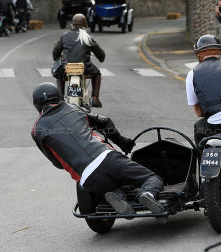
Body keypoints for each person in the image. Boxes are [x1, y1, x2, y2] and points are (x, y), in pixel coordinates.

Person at [31, 82, 167, 224]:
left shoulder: (36, 130)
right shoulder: (73, 108)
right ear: (59, 96)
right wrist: (122, 142)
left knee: (118, 185)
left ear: (36, 104)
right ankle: (147, 194)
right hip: (107, 158)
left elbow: (57, 163)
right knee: (152, 178)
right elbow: (105, 122)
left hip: (87, 178)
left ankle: (118, 196)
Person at [53, 13, 105, 108]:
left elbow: (55, 54)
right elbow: (101, 55)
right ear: (85, 25)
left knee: (59, 70)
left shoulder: (64, 36)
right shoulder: (87, 37)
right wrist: (101, 58)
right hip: (85, 68)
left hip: (67, 68)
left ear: (72, 24)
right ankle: (95, 98)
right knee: (97, 74)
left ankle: (60, 96)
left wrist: (56, 56)